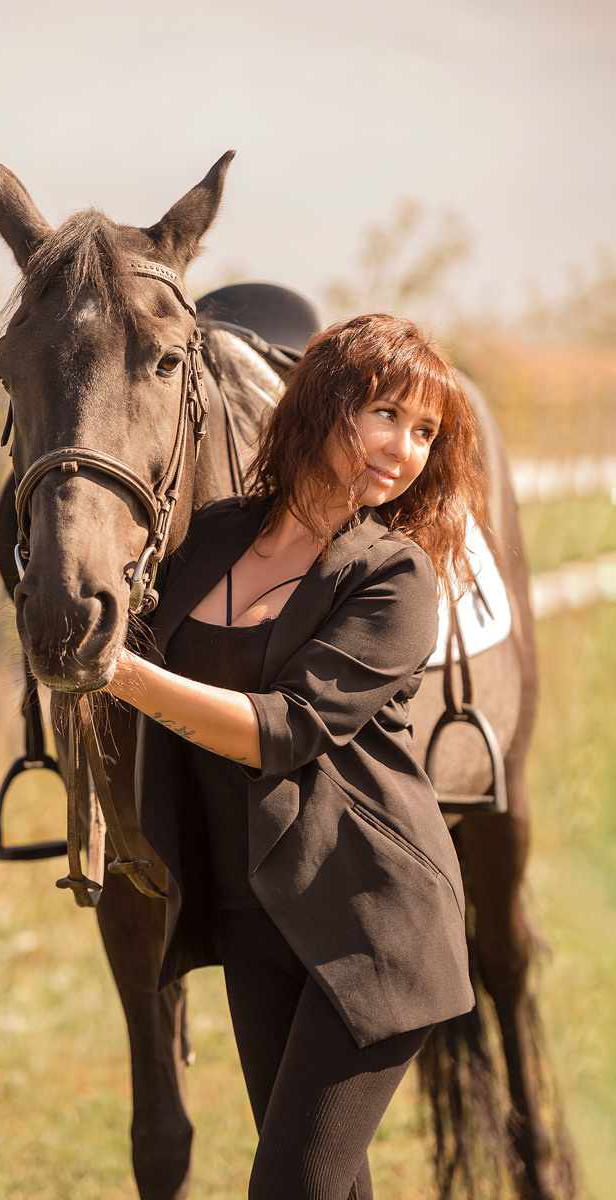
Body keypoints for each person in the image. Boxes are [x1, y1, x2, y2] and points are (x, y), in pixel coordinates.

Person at [106, 313, 484, 1200]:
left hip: (371, 923)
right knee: (331, 1188)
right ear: (321, 405)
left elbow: (280, 731)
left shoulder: (393, 577)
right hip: (254, 911)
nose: (404, 448)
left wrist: (118, 674)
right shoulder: (216, 534)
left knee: (286, 1190)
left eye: (426, 432)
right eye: (386, 414)